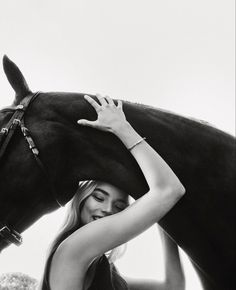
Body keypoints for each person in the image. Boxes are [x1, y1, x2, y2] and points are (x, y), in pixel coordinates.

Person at [38, 94, 186, 290]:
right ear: (81, 199)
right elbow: (169, 189)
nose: (108, 209)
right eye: (99, 197)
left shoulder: (103, 269)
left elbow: (173, 287)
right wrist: (121, 128)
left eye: (120, 206)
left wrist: (162, 216)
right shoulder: (75, 247)